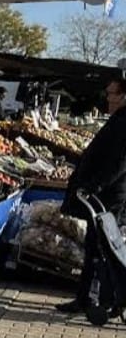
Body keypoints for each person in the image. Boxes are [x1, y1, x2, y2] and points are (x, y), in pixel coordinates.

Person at [58, 77, 126, 314]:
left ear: (124, 96)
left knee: (102, 250)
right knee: (96, 248)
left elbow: (119, 164)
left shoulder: (124, 122)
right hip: (103, 196)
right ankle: (90, 296)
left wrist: (94, 186)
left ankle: (100, 297)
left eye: (112, 94)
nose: (108, 98)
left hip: (108, 198)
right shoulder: (118, 119)